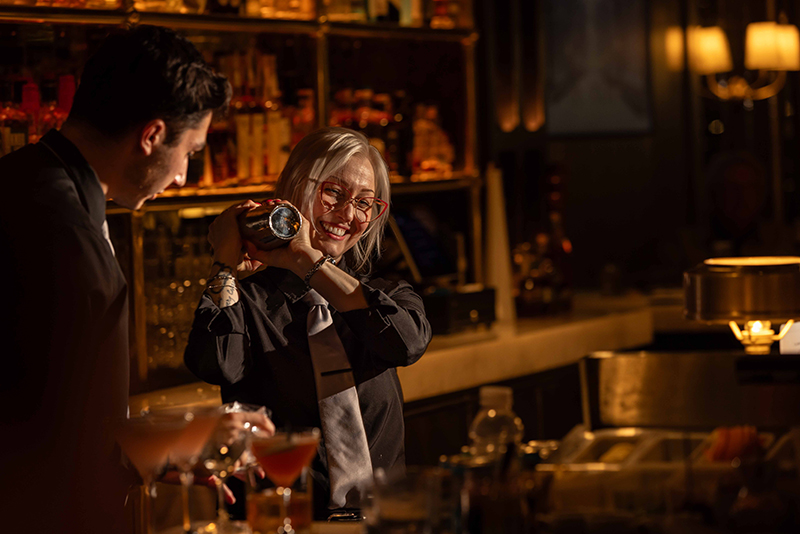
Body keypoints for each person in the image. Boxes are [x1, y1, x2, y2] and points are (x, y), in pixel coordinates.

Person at [0, 26, 231, 533]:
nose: (183, 179)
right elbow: (60, 447)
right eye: (190, 152)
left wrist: (160, 456)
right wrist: (200, 436)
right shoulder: (66, 238)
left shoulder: (23, 180)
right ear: (150, 137)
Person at [184, 126, 432, 520]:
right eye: (333, 192)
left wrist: (307, 262)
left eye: (366, 203)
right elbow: (214, 362)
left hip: (384, 522)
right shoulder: (248, 301)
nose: (349, 215)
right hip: (285, 522)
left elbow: (406, 343)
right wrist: (224, 264)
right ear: (295, 187)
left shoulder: (387, 297)